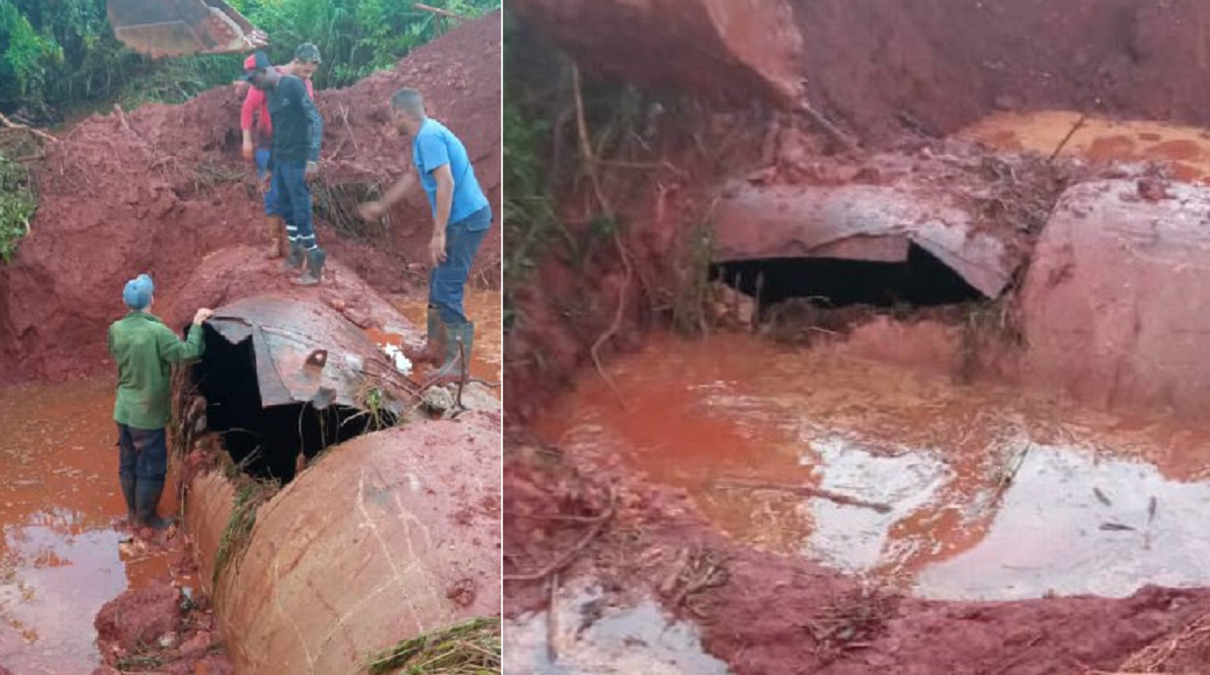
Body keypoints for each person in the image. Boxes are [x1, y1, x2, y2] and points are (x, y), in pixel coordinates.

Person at [359, 88, 492, 380]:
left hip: (465, 220)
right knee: (437, 281)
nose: (391, 121)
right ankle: (434, 348)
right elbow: (411, 177)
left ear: (400, 113)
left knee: (448, 287)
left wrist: (439, 233)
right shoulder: (424, 137)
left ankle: (458, 367)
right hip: (462, 218)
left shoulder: (429, 137)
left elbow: (446, 182)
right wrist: (382, 205)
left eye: (391, 115)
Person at [107, 274, 213, 530]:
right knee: (151, 467)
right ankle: (149, 520)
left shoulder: (116, 329)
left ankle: (133, 514)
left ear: (126, 301)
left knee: (128, 464)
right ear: (151, 299)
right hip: (147, 414)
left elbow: (116, 354)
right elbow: (189, 352)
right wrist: (197, 324)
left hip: (124, 410)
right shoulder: (157, 332)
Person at [242, 51, 326, 285]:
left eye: (253, 78)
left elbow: (316, 120)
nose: (252, 84)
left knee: (300, 207)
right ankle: (295, 255)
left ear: (264, 71)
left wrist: (312, 159)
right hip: (280, 158)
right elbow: (277, 131)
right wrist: (269, 167)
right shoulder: (270, 93)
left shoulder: (293, 86)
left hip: (298, 158)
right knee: (285, 206)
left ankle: (314, 262)